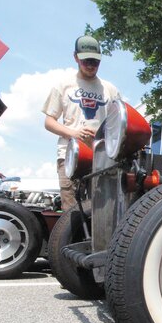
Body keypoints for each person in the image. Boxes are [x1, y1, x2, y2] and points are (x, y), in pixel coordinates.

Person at [42, 35, 121, 210]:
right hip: (69, 154)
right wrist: (74, 133)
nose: (91, 65)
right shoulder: (63, 85)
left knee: (101, 208)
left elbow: (119, 123)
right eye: (86, 61)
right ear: (76, 57)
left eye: (95, 61)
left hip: (100, 156)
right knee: (70, 209)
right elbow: (49, 121)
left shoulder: (110, 89)